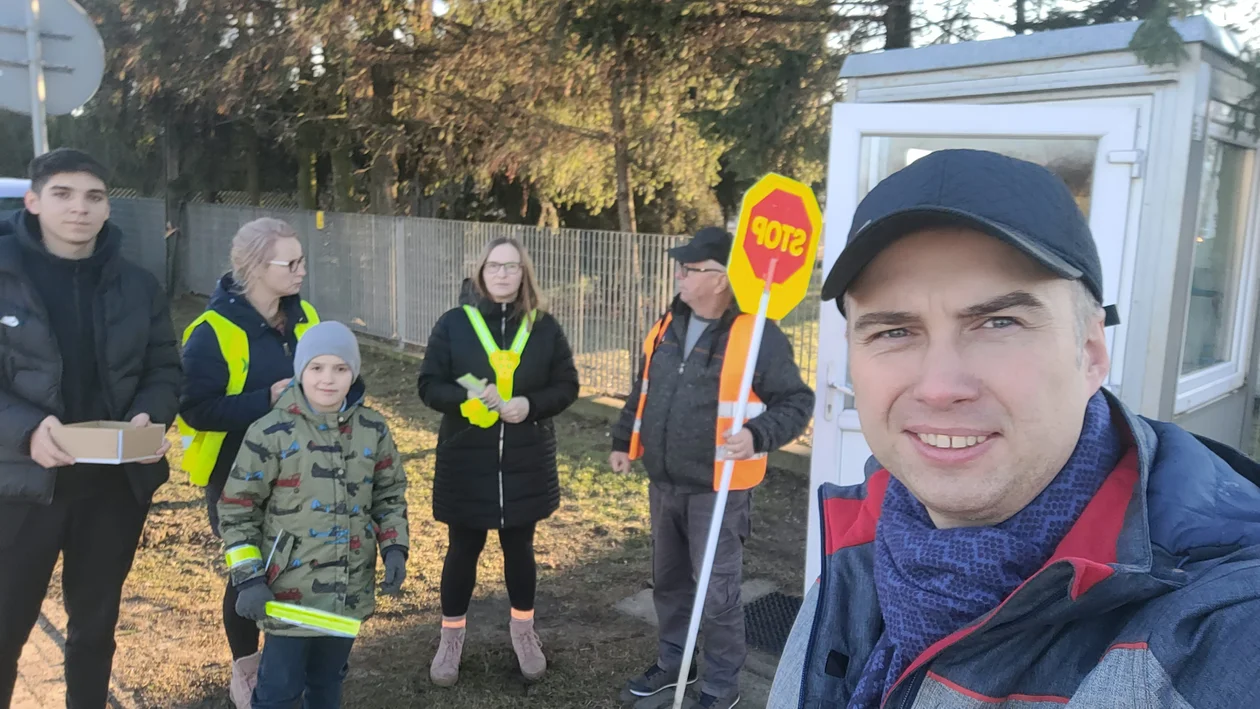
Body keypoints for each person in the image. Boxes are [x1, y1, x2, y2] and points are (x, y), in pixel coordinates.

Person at [767, 149, 1260, 708]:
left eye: (999, 322)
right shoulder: (867, 534)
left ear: (1092, 353)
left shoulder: (1221, 623)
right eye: (894, 331)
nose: (938, 386)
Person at [0, 148, 181, 707]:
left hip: (111, 488)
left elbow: (164, 367)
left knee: (94, 630)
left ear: (107, 208)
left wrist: (152, 414)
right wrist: (28, 431)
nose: (79, 208)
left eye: (94, 196)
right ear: (33, 201)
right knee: (5, 629)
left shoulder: (138, 284)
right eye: (62, 193)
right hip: (20, 488)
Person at [610, 227, 815, 709]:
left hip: (718, 489)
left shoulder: (756, 332)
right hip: (663, 484)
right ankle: (673, 666)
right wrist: (624, 440)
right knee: (670, 584)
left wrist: (755, 435)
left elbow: (796, 401)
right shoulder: (667, 324)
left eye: (690, 268)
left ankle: (721, 689)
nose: (679, 275)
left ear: (721, 278)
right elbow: (643, 388)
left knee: (717, 594)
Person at [217, 321, 409, 709]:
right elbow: (237, 508)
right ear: (300, 371)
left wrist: (394, 547)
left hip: (347, 591)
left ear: (353, 373)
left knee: (326, 684)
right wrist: (249, 577)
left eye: (340, 369)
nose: (328, 379)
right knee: (279, 690)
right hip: (289, 593)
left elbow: (389, 494)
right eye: (317, 367)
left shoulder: (373, 429)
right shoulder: (270, 432)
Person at [417, 237, 579, 687]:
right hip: (467, 458)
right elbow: (429, 385)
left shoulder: (544, 327)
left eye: (512, 267)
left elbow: (567, 385)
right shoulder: (454, 324)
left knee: (519, 549)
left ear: (524, 273)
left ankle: (524, 631)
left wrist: (530, 404)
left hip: (525, 462)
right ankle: (450, 638)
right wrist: (466, 395)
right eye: (495, 266)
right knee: (462, 549)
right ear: (480, 272)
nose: (503, 274)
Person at [177, 217, 319, 707]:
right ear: (257, 267)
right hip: (238, 481)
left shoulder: (308, 319)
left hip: (302, 474)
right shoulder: (211, 331)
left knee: (296, 571)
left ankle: (287, 667)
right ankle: (245, 666)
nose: (302, 271)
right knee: (250, 575)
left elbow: (336, 376)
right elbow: (195, 408)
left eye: (302, 260)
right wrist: (267, 398)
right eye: (292, 262)